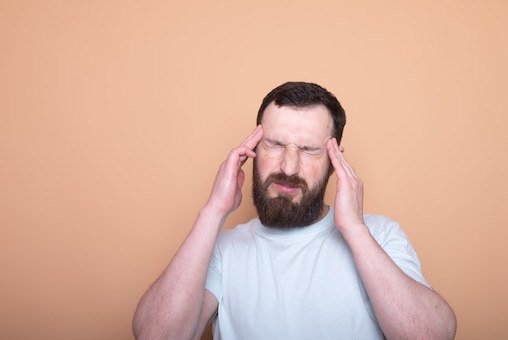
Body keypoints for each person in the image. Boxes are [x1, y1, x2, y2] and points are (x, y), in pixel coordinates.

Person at [132, 82, 457, 340]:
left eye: (309, 149)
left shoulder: (381, 236)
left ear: (335, 163)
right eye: (274, 144)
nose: (288, 167)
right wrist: (213, 211)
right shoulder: (222, 249)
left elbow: (431, 336)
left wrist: (355, 229)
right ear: (253, 151)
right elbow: (155, 336)